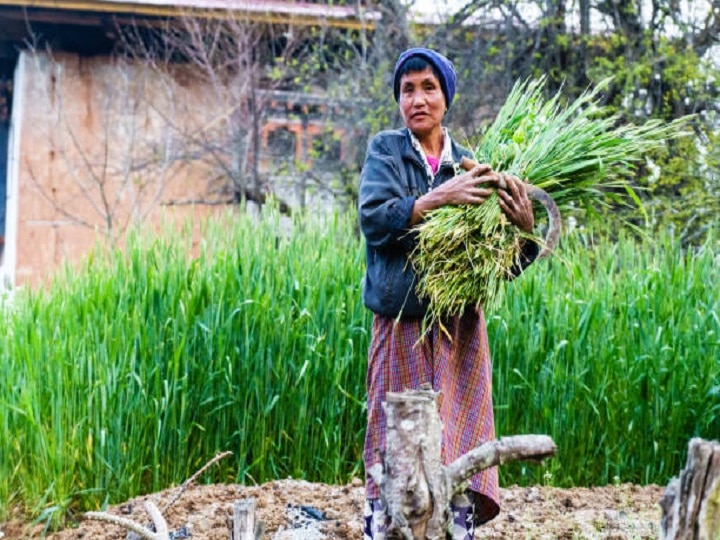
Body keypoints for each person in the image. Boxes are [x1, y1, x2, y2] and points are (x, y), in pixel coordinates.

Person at [358, 47, 539, 540]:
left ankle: (456, 532)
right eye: (407, 89)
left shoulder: (473, 166)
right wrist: (437, 198)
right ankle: (390, 531)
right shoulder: (386, 151)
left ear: (446, 97)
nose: (417, 99)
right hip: (403, 326)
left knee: (457, 440)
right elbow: (375, 220)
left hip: (459, 331)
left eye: (428, 88)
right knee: (398, 441)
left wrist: (525, 233)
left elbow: (498, 265)